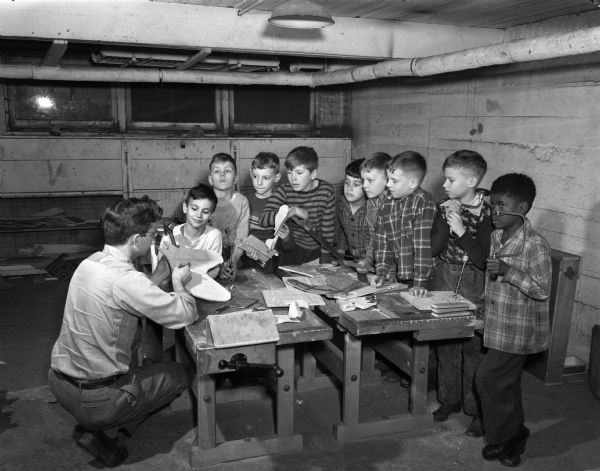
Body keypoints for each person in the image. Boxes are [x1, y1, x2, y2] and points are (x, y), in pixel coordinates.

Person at [48, 196, 198, 468]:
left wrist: (158, 277)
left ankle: (100, 424)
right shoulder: (127, 280)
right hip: (96, 400)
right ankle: (106, 430)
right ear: (137, 240)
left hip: (60, 383)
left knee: (136, 351)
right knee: (180, 374)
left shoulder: (90, 263)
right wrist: (179, 282)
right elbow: (185, 314)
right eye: (152, 235)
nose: (153, 239)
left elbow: (124, 296)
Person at [475, 173, 551, 468]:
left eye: (500, 207)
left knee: (488, 379)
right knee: (505, 383)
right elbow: (491, 278)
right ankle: (513, 435)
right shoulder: (496, 235)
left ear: (521, 209)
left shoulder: (535, 245)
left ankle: (509, 436)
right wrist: (483, 306)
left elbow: (543, 290)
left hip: (519, 330)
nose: (493, 213)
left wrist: (509, 272)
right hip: (498, 322)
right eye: (491, 205)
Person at [429, 150, 491, 436]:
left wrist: (461, 230)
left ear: (472, 180)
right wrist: (441, 223)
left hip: (475, 282)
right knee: (446, 344)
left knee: (474, 349)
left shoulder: (490, 212)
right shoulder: (444, 207)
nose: (445, 185)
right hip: (445, 276)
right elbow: (436, 247)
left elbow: (482, 259)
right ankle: (449, 399)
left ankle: (476, 408)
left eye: (451, 180)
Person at [259, 146, 336, 265]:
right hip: (291, 251)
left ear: (313, 173)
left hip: (316, 253)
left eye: (299, 172)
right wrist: (288, 212)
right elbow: (263, 220)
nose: (293, 178)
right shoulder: (285, 190)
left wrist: (325, 263)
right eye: (289, 172)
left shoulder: (326, 192)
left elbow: (328, 233)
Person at [373, 151, 436, 296]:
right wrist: (381, 272)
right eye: (388, 179)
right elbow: (383, 243)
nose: (388, 185)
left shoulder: (423, 201)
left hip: (424, 279)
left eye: (394, 181)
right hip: (401, 276)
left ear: (412, 183)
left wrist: (420, 284)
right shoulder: (386, 204)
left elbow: (422, 245)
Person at [154, 183, 222, 279]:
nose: (199, 215)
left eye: (205, 212)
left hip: (202, 286)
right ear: (185, 208)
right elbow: (163, 271)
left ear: (211, 215)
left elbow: (214, 270)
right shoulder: (170, 235)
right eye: (194, 209)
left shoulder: (214, 235)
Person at [243, 151, 291, 273]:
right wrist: (246, 250)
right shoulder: (244, 201)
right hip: (247, 261)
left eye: (265, 178)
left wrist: (285, 238)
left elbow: (288, 246)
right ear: (250, 174)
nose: (259, 182)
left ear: (277, 177)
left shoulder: (282, 205)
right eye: (255, 176)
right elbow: (238, 236)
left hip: (272, 266)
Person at [208, 152, 250, 280]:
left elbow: (241, 238)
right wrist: (218, 266)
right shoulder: (204, 201)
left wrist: (232, 263)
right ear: (210, 179)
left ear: (236, 178)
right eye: (217, 171)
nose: (222, 175)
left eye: (227, 171)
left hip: (234, 257)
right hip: (208, 258)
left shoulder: (242, 201)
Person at [357, 152, 391, 271]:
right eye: (363, 180)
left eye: (370, 180)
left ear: (388, 180)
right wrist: (368, 261)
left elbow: (399, 245)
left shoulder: (397, 204)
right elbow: (374, 237)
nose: (364, 186)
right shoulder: (371, 202)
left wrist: (390, 271)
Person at [337, 158, 368, 260]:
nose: (349, 188)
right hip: (353, 261)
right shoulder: (341, 205)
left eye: (356, 184)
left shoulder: (372, 209)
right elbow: (342, 231)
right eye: (347, 183)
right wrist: (339, 255)